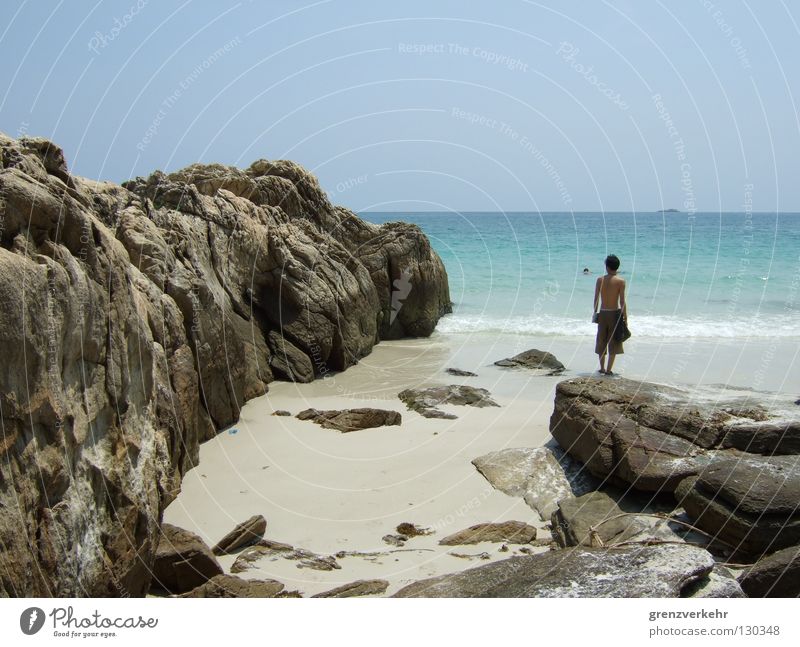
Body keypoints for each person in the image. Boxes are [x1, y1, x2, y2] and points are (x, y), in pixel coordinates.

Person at [592, 254, 627, 375]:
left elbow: (596, 299)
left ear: (607, 267)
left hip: (603, 313)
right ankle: (608, 370)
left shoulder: (600, 280)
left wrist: (595, 313)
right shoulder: (620, 281)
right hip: (614, 314)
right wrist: (625, 317)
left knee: (601, 341)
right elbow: (622, 301)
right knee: (614, 342)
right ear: (617, 267)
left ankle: (601, 368)